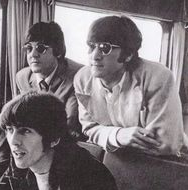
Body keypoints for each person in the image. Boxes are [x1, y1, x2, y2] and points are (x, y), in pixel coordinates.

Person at [74, 15, 188, 156]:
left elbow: (164, 144)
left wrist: (105, 136)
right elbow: (89, 128)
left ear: (128, 55)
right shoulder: (83, 79)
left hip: (170, 163)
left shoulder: (158, 77)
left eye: (105, 48)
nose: (94, 55)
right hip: (117, 159)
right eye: (91, 46)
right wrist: (118, 135)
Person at [16, 21, 83, 139]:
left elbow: (69, 123)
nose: (33, 54)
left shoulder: (77, 77)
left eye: (41, 48)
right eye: (29, 48)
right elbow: (20, 117)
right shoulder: (22, 78)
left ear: (58, 52)